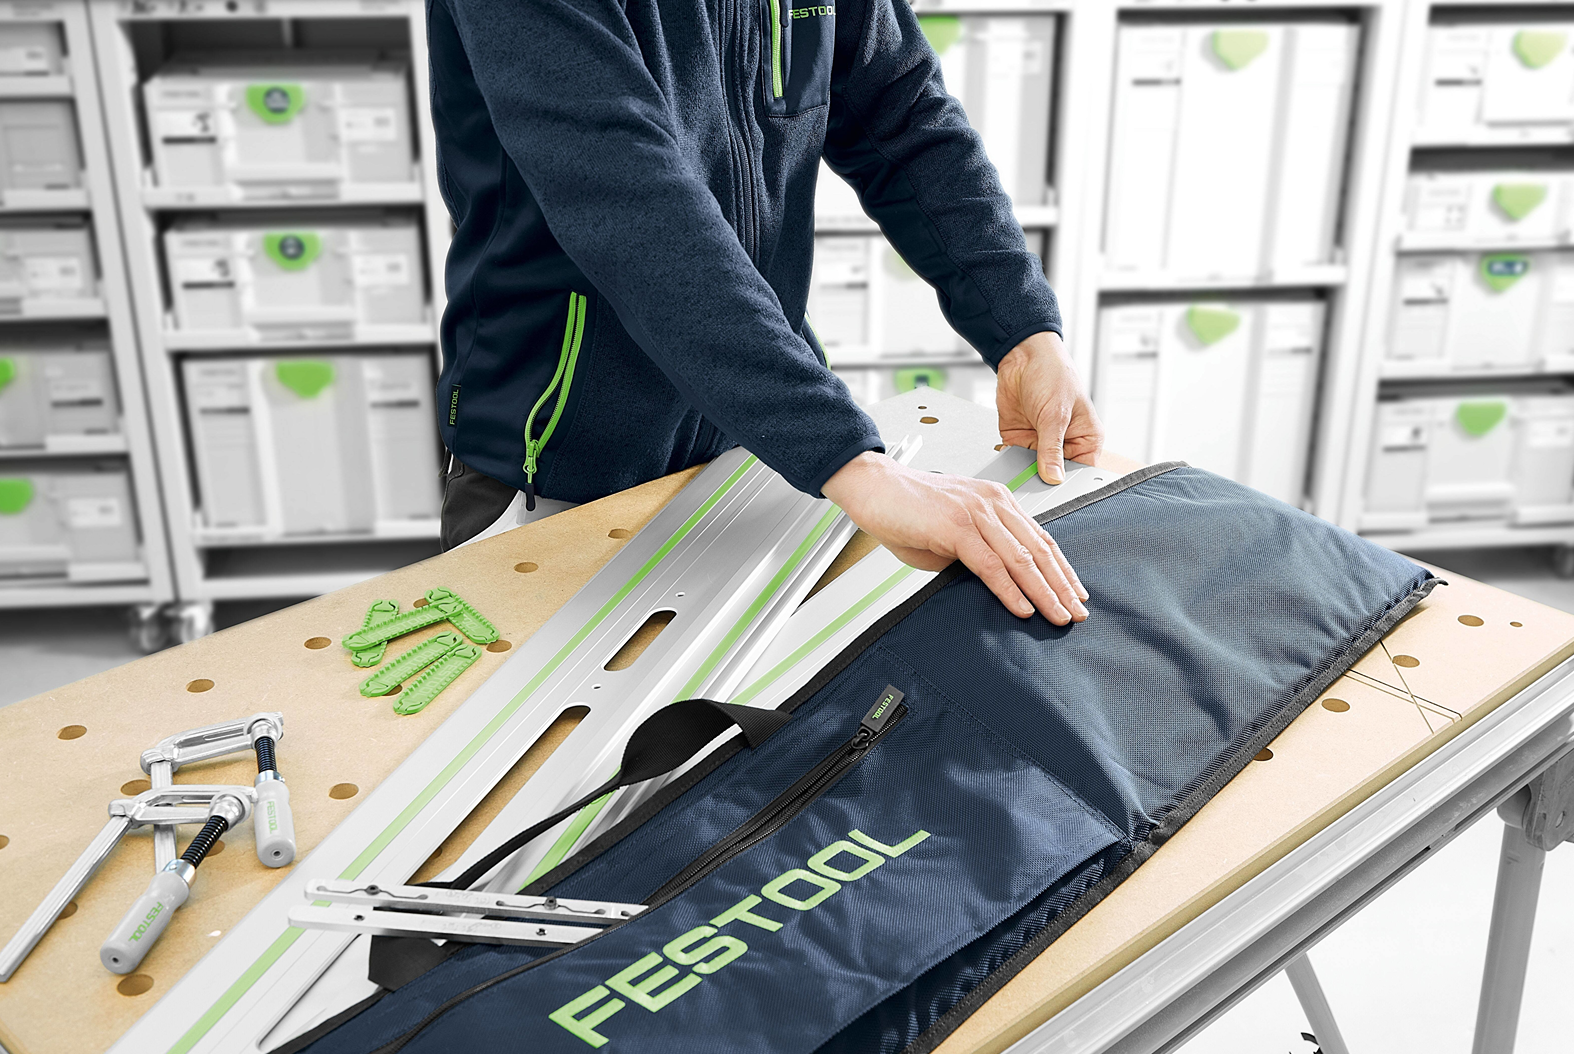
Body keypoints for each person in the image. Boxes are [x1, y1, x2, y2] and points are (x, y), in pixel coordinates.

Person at [428, 0, 1104, 626]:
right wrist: (850, 462)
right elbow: (628, 196)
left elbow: (902, 114)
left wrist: (1023, 330)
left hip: (760, 454)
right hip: (555, 467)